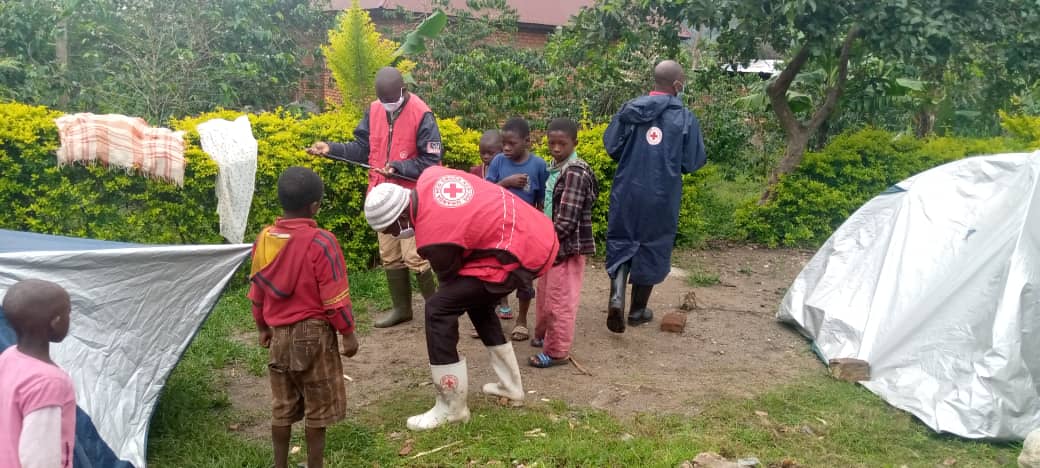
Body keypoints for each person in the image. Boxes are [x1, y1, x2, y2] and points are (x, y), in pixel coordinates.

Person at [362, 166, 559, 430]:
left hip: (522, 251)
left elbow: (449, 282)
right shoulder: (430, 176)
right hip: (532, 230)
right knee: (474, 299)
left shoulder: (432, 237)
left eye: (389, 230)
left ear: (399, 218)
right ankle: (511, 388)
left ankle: (451, 408)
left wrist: (444, 319)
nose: (391, 236)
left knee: (437, 309)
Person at [306, 66, 442, 328]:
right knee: (389, 255)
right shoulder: (375, 109)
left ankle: (437, 311)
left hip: (411, 198)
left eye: (391, 100)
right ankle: (401, 309)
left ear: (403, 90)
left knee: (416, 257)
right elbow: (362, 148)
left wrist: (399, 167)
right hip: (381, 196)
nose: (387, 105)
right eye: (383, 100)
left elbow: (431, 161)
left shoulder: (422, 113)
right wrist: (330, 148)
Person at [248, 166, 360, 468]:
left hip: (279, 336)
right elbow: (334, 297)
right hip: (315, 336)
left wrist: (261, 327)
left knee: (282, 406)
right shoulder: (322, 241)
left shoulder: (265, 239)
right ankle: (315, 465)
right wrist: (347, 333)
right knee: (318, 407)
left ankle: (279, 464)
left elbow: (257, 290)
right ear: (315, 206)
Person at [602, 60, 707, 333]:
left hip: (627, 189)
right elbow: (692, 161)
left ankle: (616, 296)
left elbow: (612, 146)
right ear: (677, 85)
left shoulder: (630, 110)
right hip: (662, 193)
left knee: (623, 239)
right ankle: (637, 310)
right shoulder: (684, 117)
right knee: (653, 244)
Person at [530, 118, 597, 368]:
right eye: (552, 143)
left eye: (562, 143)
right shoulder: (557, 167)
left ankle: (557, 352)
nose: (556, 148)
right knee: (547, 294)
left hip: (565, 247)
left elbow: (567, 220)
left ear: (574, 143)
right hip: (552, 244)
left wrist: (548, 243)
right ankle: (544, 336)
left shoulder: (576, 172)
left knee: (560, 301)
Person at [0, 279, 76, 468]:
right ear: (56, 322)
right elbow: (40, 459)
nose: (69, 318)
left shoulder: (9, 357)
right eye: (68, 313)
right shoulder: (49, 383)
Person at [485, 117, 549, 341]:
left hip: (525, 231)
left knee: (524, 276)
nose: (506, 148)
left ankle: (521, 320)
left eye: (512, 143)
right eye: (504, 143)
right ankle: (488, 318)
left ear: (527, 141)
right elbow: (486, 192)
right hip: (499, 229)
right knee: (493, 274)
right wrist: (506, 182)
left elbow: (542, 201)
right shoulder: (499, 163)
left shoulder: (539, 165)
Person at [469, 130, 513, 321]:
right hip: (482, 227)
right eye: (482, 153)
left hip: (500, 225)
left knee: (501, 265)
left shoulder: (506, 171)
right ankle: (485, 308)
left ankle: (504, 303)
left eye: (491, 153)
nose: (486, 157)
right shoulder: (474, 172)